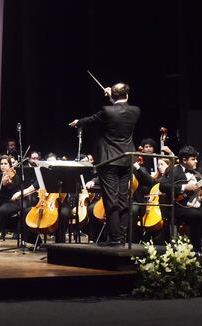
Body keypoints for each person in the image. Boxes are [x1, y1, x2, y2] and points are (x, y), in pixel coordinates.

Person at [69, 82, 140, 246]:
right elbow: (120, 109)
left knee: (111, 199)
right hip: (126, 159)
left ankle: (115, 238)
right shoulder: (136, 111)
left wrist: (78, 122)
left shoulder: (106, 110)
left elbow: (91, 119)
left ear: (113, 96)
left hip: (109, 160)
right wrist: (112, 96)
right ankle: (121, 236)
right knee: (123, 198)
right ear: (127, 95)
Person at [160, 146, 202, 253]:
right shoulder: (174, 170)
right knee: (196, 216)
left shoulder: (197, 174)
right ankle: (196, 251)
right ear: (184, 160)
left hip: (195, 207)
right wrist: (184, 187)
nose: (196, 161)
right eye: (193, 159)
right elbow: (163, 186)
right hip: (178, 208)